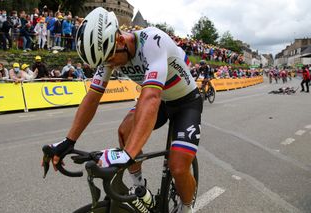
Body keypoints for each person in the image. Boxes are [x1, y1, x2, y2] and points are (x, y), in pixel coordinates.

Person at [43, 7, 202, 213]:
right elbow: (93, 97)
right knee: (124, 131)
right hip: (163, 99)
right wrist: (68, 141)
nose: (109, 65)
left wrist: (128, 154)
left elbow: (150, 97)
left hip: (186, 102)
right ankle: (140, 188)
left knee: (179, 167)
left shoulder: (152, 41)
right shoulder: (110, 54)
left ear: (119, 40)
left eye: (109, 59)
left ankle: (187, 207)